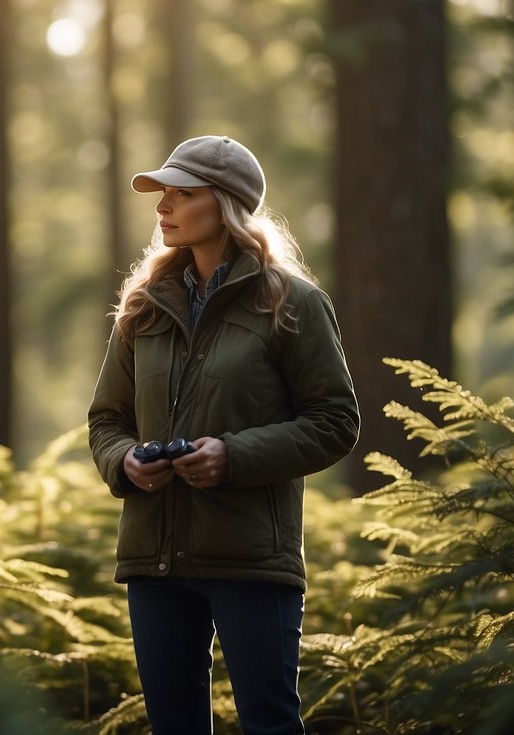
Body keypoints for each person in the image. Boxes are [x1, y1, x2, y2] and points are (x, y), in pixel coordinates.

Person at [87, 135, 359, 735]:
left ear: (227, 205)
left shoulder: (292, 302)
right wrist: (125, 462)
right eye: (162, 194)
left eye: (181, 195)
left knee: (269, 722)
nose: (163, 207)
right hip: (154, 561)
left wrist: (231, 456)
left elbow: (336, 422)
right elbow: (107, 420)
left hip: (251, 559)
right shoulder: (143, 308)